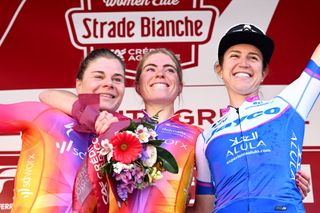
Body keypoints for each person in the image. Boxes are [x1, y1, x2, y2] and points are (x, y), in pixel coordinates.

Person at [40, 48, 311, 213]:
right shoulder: (116, 127)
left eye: (170, 70)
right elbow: (48, 96)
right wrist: (93, 115)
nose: (161, 74)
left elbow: (208, 205)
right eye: (151, 69)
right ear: (138, 85)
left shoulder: (200, 137)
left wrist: (282, 180)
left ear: (179, 86)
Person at [192, 24, 319, 212]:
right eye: (235, 55)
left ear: (264, 72)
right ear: (220, 69)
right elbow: (203, 208)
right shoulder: (205, 138)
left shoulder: (288, 105)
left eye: (253, 57)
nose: (244, 63)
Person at [0, 48, 126, 212]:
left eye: (117, 79)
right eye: (98, 76)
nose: (109, 83)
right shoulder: (44, 115)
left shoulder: (129, 141)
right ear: (79, 85)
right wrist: (86, 113)